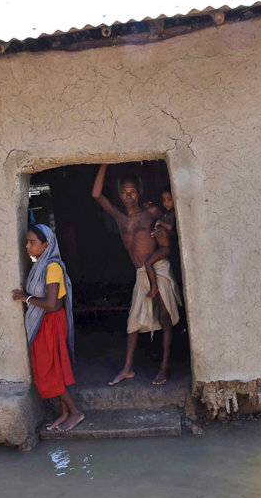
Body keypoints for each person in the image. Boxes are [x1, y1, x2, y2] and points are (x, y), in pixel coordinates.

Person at [92, 164, 182, 386]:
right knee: (133, 322)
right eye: (124, 192)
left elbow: (169, 230)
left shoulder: (151, 213)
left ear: (140, 193)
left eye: (132, 191)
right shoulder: (119, 217)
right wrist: (104, 161)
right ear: (120, 195)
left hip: (158, 269)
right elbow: (96, 194)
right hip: (141, 273)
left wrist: (163, 231)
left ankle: (165, 366)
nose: (128, 195)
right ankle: (128, 368)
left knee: (165, 316)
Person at [11, 224, 83, 432]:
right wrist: (30, 295)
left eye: (32, 242)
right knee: (53, 368)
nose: (27, 246)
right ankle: (65, 413)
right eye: (27, 241)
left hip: (51, 323)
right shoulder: (40, 265)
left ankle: (76, 412)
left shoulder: (52, 267)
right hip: (45, 323)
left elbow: (53, 304)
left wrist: (27, 298)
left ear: (46, 245)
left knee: (49, 370)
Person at [143, 189, 177, 299]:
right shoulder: (166, 213)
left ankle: (154, 288)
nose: (166, 203)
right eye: (164, 200)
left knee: (148, 263)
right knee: (148, 262)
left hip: (165, 248)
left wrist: (160, 222)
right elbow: (159, 214)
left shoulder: (173, 214)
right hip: (161, 247)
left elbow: (171, 227)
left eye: (169, 200)